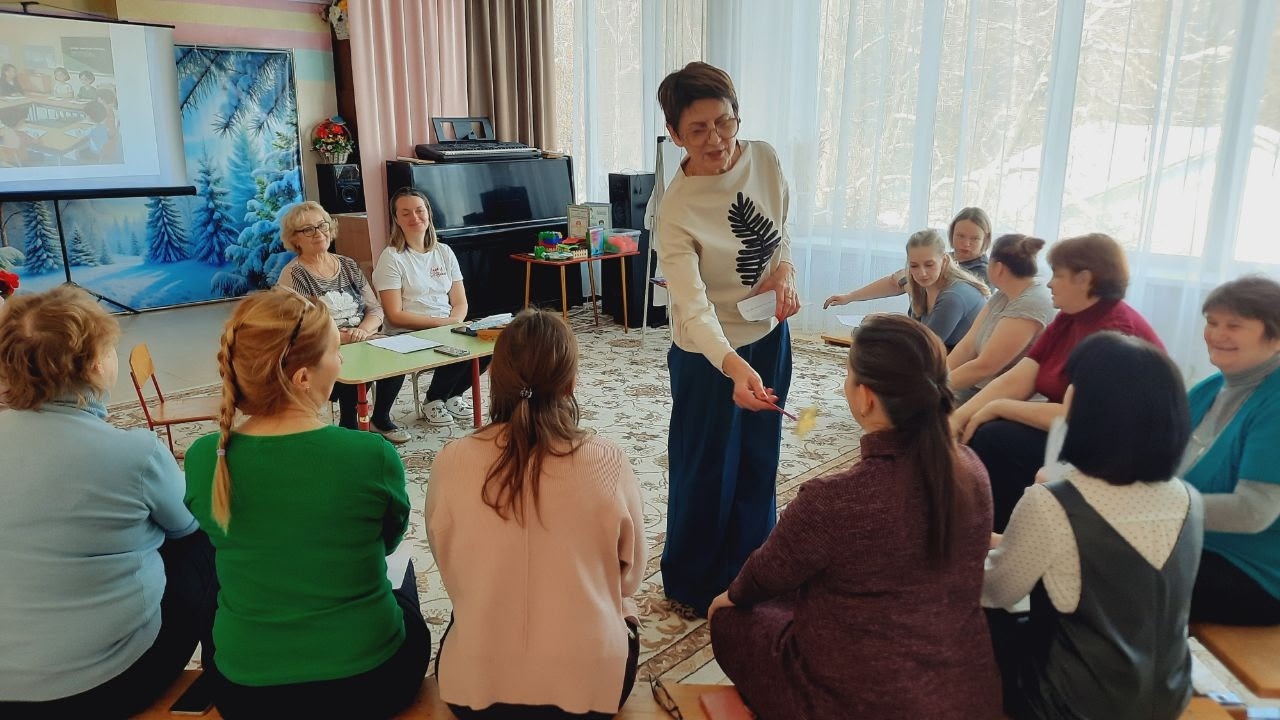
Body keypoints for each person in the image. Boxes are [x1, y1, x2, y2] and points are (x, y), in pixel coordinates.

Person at [708, 314, 1001, 720]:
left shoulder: (834, 498)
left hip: (856, 701)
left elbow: (759, 580)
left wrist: (725, 602)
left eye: (848, 375)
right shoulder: (972, 471)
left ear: (865, 398)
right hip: (966, 693)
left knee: (730, 618)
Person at [184, 288, 430, 718]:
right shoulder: (369, 454)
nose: (341, 362)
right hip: (370, 683)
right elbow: (388, 543)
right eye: (335, 351)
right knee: (405, 584)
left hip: (245, 695)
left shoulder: (206, 456)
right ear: (301, 377)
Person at [0, 286, 216, 718]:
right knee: (200, 545)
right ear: (97, 364)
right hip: (107, 686)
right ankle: (220, 679)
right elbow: (189, 526)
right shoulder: (135, 452)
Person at [426, 309, 647, 719]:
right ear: (571, 384)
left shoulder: (450, 460)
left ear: (494, 379)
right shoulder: (608, 461)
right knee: (623, 605)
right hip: (592, 692)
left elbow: (449, 568)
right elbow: (630, 579)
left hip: (474, 691)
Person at [984, 332, 1202, 719]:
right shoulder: (1189, 497)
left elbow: (997, 591)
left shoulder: (1053, 503)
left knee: (977, 617)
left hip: (1070, 705)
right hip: (1169, 694)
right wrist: (1001, 540)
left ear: (1092, 413)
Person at [654, 61, 801, 615]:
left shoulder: (764, 157)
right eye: (698, 130)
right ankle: (693, 582)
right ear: (674, 135)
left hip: (769, 333)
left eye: (724, 122)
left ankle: (750, 567)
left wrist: (785, 271)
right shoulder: (676, 209)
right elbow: (691, 307)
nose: (716, 139)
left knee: (760, 454)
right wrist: (732, 366)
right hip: (708, 354)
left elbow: (782, 229)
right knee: (708, 466)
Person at [951, 233, 1164, 531]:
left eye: (1058, 275)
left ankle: (1004, 535)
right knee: (975, 430)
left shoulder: (1113, 331)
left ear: (1084, 279)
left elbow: (1077, 415)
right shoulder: (1069, 317)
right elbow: (1019, 379)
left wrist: (997, 407)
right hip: (1075, 432)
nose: (1049, 283)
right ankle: (981, 530)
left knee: (995, 438)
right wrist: (958, 418)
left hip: (1112, 448)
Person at [1180, 276, 1280, 625]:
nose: (1216, 334)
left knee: (1101, 568)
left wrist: (1154, 506)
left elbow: (1253, 511)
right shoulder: (1210, 389)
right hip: (1197, 545)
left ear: (1276, 337)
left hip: (1255, 571)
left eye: (1234, 326)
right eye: (1212, 322)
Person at [276, 201, 409, 444]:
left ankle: (380, 418)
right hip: (321, 347)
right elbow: (299, 328)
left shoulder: (348, 264)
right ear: (295, 238)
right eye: (308, 230)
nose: (318, 233)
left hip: (361, 338)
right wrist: (343, 337)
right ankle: (349, 423)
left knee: (395, 354)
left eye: (322, 225)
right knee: (347, 360)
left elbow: (375, 308)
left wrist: (363, 330)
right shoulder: (294, 274)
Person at [373, 187, 489, 426]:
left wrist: (455, 322)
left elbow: (460, 302)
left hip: (445, 325)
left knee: (486, 345)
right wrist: (442, 325)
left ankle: (445, 396)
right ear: (396, 219)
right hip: (407, 331)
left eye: (419, 210)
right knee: (452, 343)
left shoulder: (444, 251)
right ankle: (434, 400)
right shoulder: (392, 257)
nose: (414, 217)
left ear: (428, 213)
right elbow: (394, 315)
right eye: (405, 213)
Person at [947, 234, 1056, 401]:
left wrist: (933, 388)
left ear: (998, 268)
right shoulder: (1003, 294)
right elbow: (967, 347)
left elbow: (986, 367)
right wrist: (934, 377)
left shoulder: (1031, 304)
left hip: (1006, 399)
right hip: (979, 389)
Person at [823, 206, 994, 309]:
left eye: (974, 239)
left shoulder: (985, 272)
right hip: (919, 324)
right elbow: (894, 281)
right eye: (960, 236)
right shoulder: (941, 258)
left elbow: (939, 303)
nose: (966, 244)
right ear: (951, 234)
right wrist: (850, 297)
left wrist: (907, 283)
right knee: (870, 325)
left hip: (948, 340)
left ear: (985, 239)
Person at [900, 228, 990, 350]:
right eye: (914, 266)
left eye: (929, 265)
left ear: (944, 260)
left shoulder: (953, 297)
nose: (922, 273)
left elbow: (924, 348)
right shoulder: (923, 288)